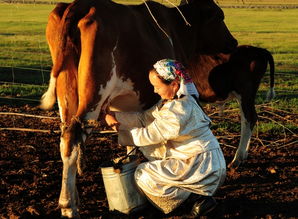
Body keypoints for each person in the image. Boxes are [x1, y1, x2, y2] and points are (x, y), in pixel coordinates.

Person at [105, 59, 226, 217]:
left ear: (174, 84)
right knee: (152, 168)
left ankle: (196, 199)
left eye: (157, 86)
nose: (155, 91)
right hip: (192, 160)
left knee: (143, 174)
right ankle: (192, 200)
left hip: (201, 166)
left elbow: (150, 134)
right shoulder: (170, 103)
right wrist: (115, 116)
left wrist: (118, 127)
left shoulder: (179, 110)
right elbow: (143, 119)